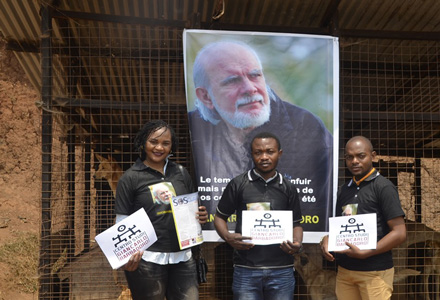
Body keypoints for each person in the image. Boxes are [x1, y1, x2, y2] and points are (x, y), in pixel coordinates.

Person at [188, 41, 333, 231]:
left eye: (255, 75)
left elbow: (324, 203)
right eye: (232, 80)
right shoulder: (193, 130)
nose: (250, 88)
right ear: (206, 97)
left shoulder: (307, 127)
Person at [114, 120, 208, 300]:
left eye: (166, 143)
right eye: (153, 142)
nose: (159, 147)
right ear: (143, 143)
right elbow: (122, 221)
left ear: (172, 146)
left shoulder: (180, 172)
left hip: (183, 258)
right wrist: (125, 256)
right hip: (147, 260)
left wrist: (199, 216)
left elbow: (190, 207)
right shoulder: (131, 178)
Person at [214, 132, 303, 300]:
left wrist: (297, 244)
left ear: (280, 153)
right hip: (246, 270)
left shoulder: (288, 187)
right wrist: (227, 237)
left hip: (282, 270)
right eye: (258, 152)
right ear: (251, 154)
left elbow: (296, 223)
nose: (264, 157)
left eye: (270, 151)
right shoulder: (238, 184)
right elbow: (219, 217)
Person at [320, 136, 406, 300]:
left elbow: (400, 232)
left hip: (374, 273)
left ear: (373, 156)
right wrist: (327, 239)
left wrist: (368, 251)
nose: (354, 161)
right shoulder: (345, 190)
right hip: (345, 272)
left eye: (361, 156)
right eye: (349, 157)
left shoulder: (383, 187)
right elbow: (342, 228)